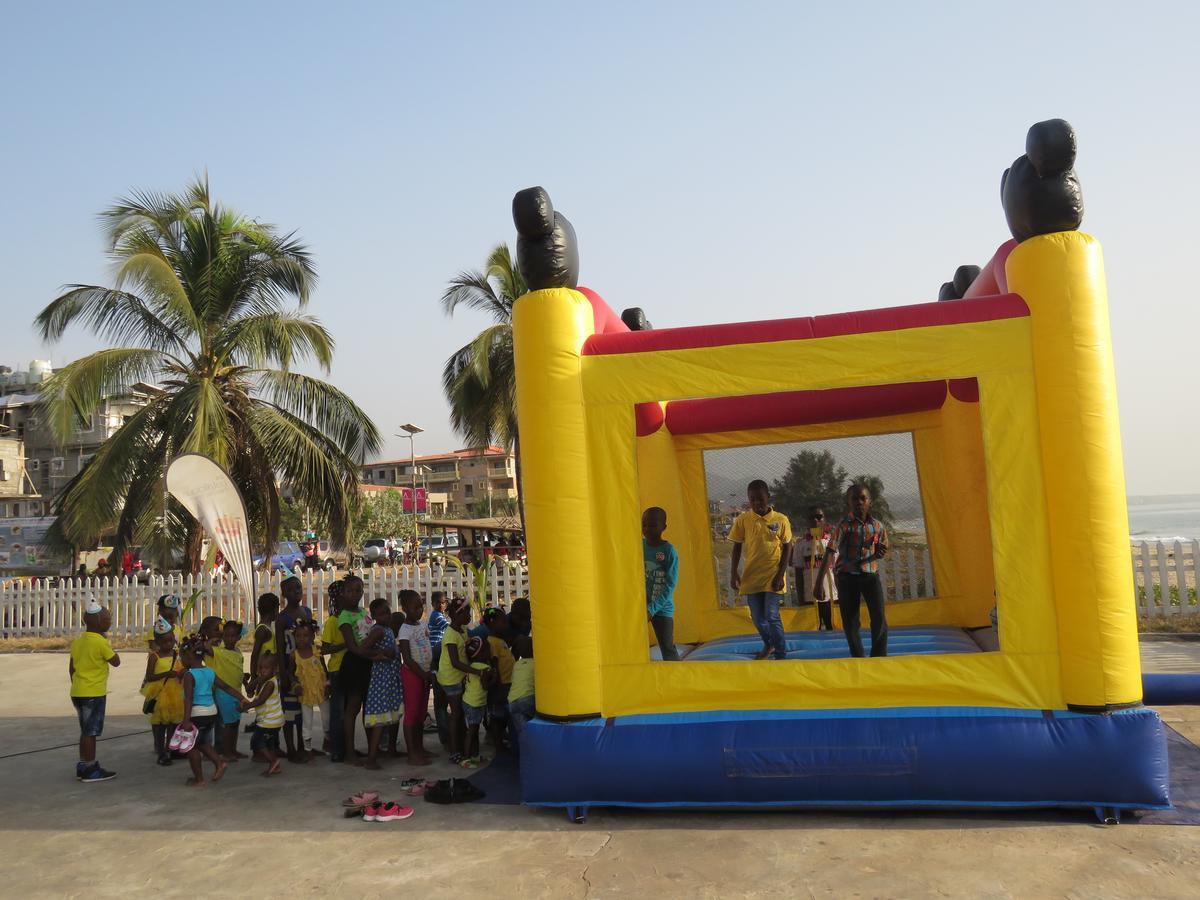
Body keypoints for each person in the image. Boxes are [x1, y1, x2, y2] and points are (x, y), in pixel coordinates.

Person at [816, 483, 890, 658]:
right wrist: (819, 582)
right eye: (854, 499)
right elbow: (830, 551)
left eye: (863, 498)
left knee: (879, 617)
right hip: (847, 578)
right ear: (849, 503)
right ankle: (857, 656)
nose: (859, 502)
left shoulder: (877, 526)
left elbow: (883, 547)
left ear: (870, 502)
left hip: (870, 575)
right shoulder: (843, 525)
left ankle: (879, 655)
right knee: (850, 621)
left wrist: (880, 552)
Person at [729, 480, 793, 660]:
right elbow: (736, 546)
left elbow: (787, 546)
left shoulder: (780, 520)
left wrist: (781, 574)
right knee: (757, 618)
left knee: (771, 615)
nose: (757, 503)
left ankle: (781, 653)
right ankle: (769, 643)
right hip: (752, 576)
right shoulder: (743, 520)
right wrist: (734, 572)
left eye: (760, 499)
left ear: (768, 498)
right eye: (753, 500)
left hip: (773, 575)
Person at [178, 634, 243, 786]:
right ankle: (219, 763)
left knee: (191, 747)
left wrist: (186, 720)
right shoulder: (209, 672)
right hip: (211, 713)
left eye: (182, 657)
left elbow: (188, 699)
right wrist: (242, 698)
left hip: (197, 714)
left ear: (188, 657)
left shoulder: (190, 675)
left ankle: (199, 779)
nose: (181, 660)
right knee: (202, 743)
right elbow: (226, 687)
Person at [69, 598, 120, 782]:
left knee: (85, 730)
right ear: (99, 622)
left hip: (78, 691)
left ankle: (83, 764)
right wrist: (108, 645)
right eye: (108, 618)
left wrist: (77, 683)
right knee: (91, 732)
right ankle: (91, 768)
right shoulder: (100, 642)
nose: (110, 621)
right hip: (94, 692)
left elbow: (72, 668)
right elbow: (116, 661)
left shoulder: (78, 642)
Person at [360, 598, 402, 771]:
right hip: (382, 680)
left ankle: (391, 749)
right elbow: (363, 649)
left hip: (391, 678)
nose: (387, 615)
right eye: (382, 613)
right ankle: (371, 758)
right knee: (380, 717)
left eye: (388, 611)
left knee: (392, 714)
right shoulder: (378, 630)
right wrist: (381, 653)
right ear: (375, 616)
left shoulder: (387, 629)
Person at [335, 575, 373, 764]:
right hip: (355, 663)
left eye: (358, 590)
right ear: (343, 593)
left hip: (367, 662)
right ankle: (349, 752)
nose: (354, 594)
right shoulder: (344, 616)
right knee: (352, 708)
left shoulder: (363, 611)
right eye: (350, 590)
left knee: (369, 708)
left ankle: (371, 750)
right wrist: (375, 654)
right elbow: (352, 646)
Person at [275, 575, 313, 762]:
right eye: (291, 589)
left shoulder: (306, 612)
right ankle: (290, 749)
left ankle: (302, 746)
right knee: (290, 711)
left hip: (306, 668)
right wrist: (283, 673)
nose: (296, 592)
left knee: (303, 709)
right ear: (284, 593)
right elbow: (280, 648)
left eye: (298, 588)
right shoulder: (282, 618)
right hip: (290, 670)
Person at [396, 590, 434, 766]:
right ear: (405, 608)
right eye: (415, 607)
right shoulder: (405, 630)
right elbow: (407, 658)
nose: (419, 610)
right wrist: (422, 674)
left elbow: (427, 647)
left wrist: (429, 672)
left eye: (421, 606)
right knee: (411, 714)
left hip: (425, 674)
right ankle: (412, 753)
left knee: (420, 713)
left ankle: (419, 748)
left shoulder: (422, 625)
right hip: (413, 675)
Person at [436, 597, 474, 764]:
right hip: (451, 679)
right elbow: (455, 662)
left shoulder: (464, 629)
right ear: (457, 615)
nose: (470, 615)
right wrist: (476, 671)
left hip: (460, 676)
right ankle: (454, 750)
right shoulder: (450, 634)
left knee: (460, 712)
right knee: (456, 713)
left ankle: (462, 743)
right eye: (467, 612)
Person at [143, 619, 184, 766]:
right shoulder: (155, 656)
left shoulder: (177, 653)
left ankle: (171, 749)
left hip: (176, 692)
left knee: (174, 722)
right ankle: (161, 752)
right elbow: (149, 676)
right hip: (160, 694)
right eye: (165, 641)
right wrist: (167, 674)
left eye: (171, 640)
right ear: (158, 642)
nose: (169, 644)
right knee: (160, 724)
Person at [642, 506, 680, 661]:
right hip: (642, 606)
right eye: (644, 525)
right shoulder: (639, 546)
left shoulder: (669, 551)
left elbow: (670, 585)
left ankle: (677, 677)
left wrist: (652, 609)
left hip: (662, 609)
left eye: (652, 525)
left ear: (663, 527)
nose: (647, 529)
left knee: (667, 647)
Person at [241, 654, 285, 776]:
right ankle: (276, 766)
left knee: (257, 742)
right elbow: (250, 689)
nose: (263, 670)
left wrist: (247, 707)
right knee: (269, 744)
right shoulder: (264, 680)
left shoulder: (270, 684)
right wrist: (249, 679)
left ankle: (273, 762)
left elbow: (261, 700)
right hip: (271, 720)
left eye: (266, 668)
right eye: (261, 668)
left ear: (274, 669)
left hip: (269, 721)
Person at [211, 620, 249, 761]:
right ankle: (227, 752)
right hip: (224, 693)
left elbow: (237, 669)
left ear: (239, 638)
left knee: (235, 723)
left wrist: (244, 679)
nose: (229, 639)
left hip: (237, 692)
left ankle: (233, 750)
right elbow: (203, 647)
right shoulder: (218, 652)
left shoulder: (237, 651)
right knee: (228, 724)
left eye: (233, 636)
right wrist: (212, 641)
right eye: (226, 636)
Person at [292, 620, 328, 758]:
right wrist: (295, 685)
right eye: (298, 636)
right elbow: (291, 673)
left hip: (321, 690)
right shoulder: (294, 655)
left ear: (313, 636)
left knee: (327, 717)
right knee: (307, 721)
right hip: (305, 692)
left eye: (305, 635)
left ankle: (327, 740)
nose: (302, 639)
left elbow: (324, 668)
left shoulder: (317, 651)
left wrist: (328, 684)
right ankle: (308, 749)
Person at [797, 506, 837, 631]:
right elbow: (798, 572)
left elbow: (837, 570)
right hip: (809, 597)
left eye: (819, 517)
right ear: (807, 521)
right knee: (814, 629)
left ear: (824, 520)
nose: (815, 520)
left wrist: (839, 595)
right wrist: (801, 598)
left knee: (833, 628)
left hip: (831, 597)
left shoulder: (831, 542)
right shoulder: (800, 544)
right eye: (811, 518)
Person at [320, 581, 348, 760]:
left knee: (347, 710)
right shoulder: (333, 621)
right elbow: (325, 649)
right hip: (337, 669)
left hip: (353, 668)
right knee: (337, 712)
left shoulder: (353, 617)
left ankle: (345, 745)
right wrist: (347, 644)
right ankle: (336, 748)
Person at [482, 608, 515, 751]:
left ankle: (502, 739)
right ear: (492, 623)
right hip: (500, 686)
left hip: (508, 683)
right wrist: (500, 685)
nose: (506, 625)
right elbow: (494, 665)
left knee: (504, 715)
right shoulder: (492, 642)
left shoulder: (500, 640)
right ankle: (497, 743)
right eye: (503, 622)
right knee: (497, 716)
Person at [460, 636, 494, 768]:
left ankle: (474, 755)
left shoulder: (471, 666)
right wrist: (494, 678)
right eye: (487, 650)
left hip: (468, 701)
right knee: (472, 731)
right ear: (482, 653)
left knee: (473, 730)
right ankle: (466, 758)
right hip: (475, 704)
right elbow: (485, 686)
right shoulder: (485, 668)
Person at [426, 592, 450, 749]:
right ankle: (445, 735)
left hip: (439, 651)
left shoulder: (439, 615)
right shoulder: (436, 616)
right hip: (435, 651)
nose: (441, 605)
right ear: (433, 604)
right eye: (438, 603)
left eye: (444, 603)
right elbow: (447, 627)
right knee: (441, 698)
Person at [507, 635, 535, 753]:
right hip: (528, 699)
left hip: (512, 702)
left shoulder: (517, 665)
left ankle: (524, 755)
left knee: (522, 731)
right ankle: (536, 752)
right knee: (535, 725)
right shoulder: (536, 663)